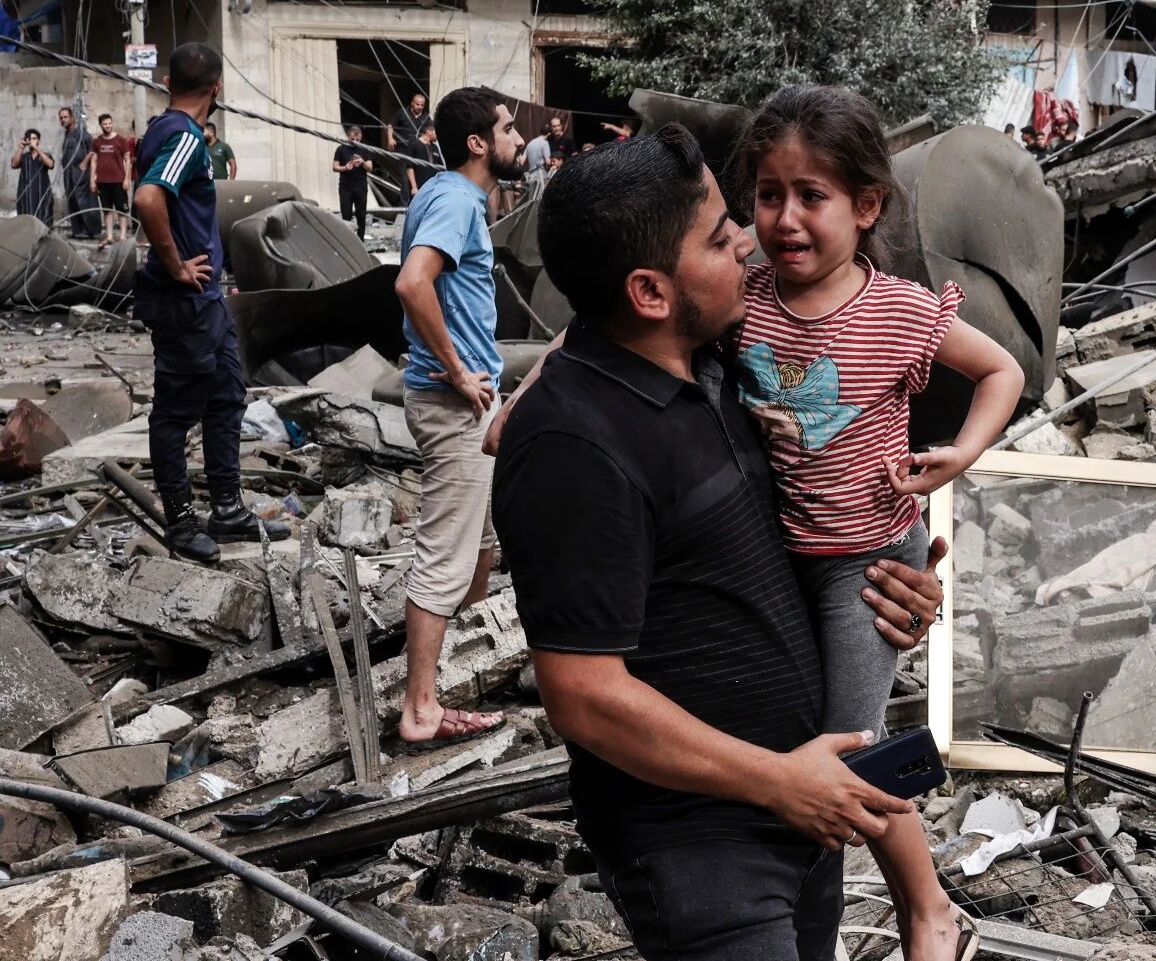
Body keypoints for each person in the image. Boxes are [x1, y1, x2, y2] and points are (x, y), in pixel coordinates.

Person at [491, 125, 948, 961]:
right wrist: (777, 779)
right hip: (702, 848)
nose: (748, 239)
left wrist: (899, 585)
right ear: (650, 292)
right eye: (716, 234)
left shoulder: (715, 365)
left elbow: (777, 547)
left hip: (804, 808)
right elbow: (582, 695)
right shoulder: (574, 445)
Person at [732, 84, 1018, 961]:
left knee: (846, 751)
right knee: (801, 740)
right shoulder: (741, 293)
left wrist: (961, 455)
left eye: (812, 197)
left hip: (867, 562)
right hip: (779, 556)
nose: (786, 219)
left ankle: (927, 909)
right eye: (769, 195)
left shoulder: (896, 311)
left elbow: (1001, 371)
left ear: (865, 207)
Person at [392, 86, 522, 750]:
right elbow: (412, 283)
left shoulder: (456, 196)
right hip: (452, 404)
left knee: (479, 548)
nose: (519, 139)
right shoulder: (453, 198)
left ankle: (456, 677)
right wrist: (454, 368)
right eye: (508, 128)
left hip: (468, 399)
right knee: (445, 556)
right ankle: (420, 709)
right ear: (478, 143)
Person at [130, 43, 289, 562]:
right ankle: (179, 523)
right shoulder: (184, 137)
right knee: (176, 413)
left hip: (207, 299)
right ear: (216, 88)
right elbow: (149, 198)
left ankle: (227, 510)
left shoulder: (160, 128)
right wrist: (177, 265)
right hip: (184, 299)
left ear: (169, 81)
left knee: (227, 395)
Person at [88, 113, 136, 244]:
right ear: (101, 125)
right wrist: (92, 180)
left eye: (109, 123)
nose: (108, 126)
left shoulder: (121, 140)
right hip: (102, 182)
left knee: (122, 209)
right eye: (105, 124)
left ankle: (123, 236)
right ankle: (109, 236)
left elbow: (127, 160)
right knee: (107, 210)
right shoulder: (97, 141)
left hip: (118, 181)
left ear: (112, 123)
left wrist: (126, 179)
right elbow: (94, 161)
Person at [57, 107, 97, 239]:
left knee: (83, 201)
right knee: (72, 200)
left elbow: (92, 150)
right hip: (69, 173)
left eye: (65, 117)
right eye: (61, 118)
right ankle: (77, 230)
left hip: (80, 173)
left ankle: (89, 230)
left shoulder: (81, 133)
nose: (63, 120)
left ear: (72, 118)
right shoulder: (67, 134)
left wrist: (84, 164)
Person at [333, 125, 375, 239]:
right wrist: (345, 168)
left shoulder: (365, 149)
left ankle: (360, 240)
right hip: (345, 187)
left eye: (357, 140)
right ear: (348, 137)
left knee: (361, 215)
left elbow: (370, 167)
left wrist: (362, 162)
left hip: (360, 187)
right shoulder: (341, 149)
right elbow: (335, 167)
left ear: (361, 137)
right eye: (352, 139)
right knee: (346, 215)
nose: (355, 142)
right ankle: (347, 240)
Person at [12, 129, 55, 226]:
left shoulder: (45, 155)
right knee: (26, 220)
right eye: (30, 139)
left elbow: (50, 164)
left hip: (42, 193)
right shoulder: (24, 157)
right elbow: (14, 164)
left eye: (34, 139)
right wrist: (21, 147)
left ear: (38, 140)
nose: (32, 141)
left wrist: (37, 149)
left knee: (44, 219)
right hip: (26, 195)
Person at [403, 122, 444, 197]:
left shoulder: (434, 147)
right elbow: (409, 167)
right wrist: (414, 187)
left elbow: (441, 168)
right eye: (436, 132)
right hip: (419, 188)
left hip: (433, 188)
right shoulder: (414, 145)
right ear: (429, 131)